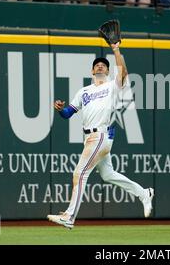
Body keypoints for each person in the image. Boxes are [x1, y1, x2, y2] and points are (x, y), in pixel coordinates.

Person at [47, 41, 155, 230]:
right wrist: (59, 109)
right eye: (97, 64)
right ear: (91, 71)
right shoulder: (83, 91)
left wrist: (115, 49)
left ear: (107, 71)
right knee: (108, 174)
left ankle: (69, 216)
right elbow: (67, 114)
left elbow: (123, 72)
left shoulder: (113, 86)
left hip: (100, 136)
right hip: (89, 138)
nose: (100, 65)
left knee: (80, 173)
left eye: (104, 65)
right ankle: (144, 193)